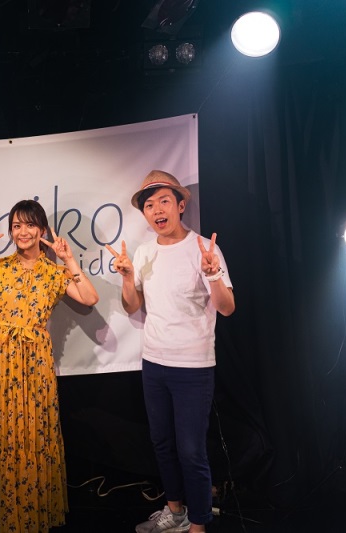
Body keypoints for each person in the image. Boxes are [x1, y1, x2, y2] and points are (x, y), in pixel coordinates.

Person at [0, 200, 99, 533]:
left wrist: (69, 259)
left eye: (30, 225)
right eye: (17, 225)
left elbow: (89, 298)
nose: (23, 232)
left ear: (41, 230)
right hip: (0, 362)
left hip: (36, 363)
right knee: (2, 432)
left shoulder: (55, 273)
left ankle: (33, 510)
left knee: (34, 433)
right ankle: (6, 509)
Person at [105, 170, 235, 533]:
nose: (157, 210)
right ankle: (175, 512)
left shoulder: (204, 249)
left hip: (193, 367)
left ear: (180, 205)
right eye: (149, 205)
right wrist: (127, 278)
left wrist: (213, 274)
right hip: (154, 363)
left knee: (191, 450)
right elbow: (132, 306)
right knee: (161, 443)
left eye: (164, 201)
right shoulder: (145, 252)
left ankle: (198, 524)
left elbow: (227, 308)